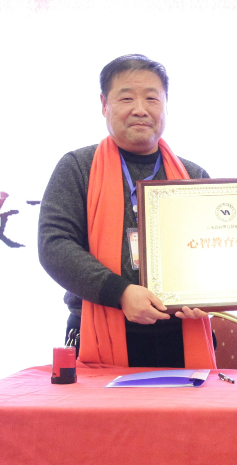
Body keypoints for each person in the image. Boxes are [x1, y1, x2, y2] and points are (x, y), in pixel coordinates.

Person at [38, 54, 215, 369]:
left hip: (181, 334)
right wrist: (119, 292)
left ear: (166, 105)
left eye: (152, 98)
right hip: (98, 329)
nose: (140, 109)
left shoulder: (193, 174)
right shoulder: (78, 167)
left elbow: (214, 249)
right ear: (104, 104)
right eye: (127, 98)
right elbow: (55, 244)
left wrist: (208, 293)